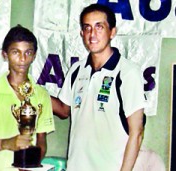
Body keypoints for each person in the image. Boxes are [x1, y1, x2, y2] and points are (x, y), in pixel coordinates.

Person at [51, 4, 146, 171]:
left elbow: (136, 133)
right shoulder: (77, 70)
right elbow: (64, 110)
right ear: (81, 33)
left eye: (99, 27)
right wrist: (32, 91)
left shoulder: (127, 72)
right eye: (87, 28)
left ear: (112, 32)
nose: (92, 34)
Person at [0, 25, 55, 171]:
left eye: (28, 52)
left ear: (34, 56)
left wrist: (30, 164)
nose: (22, 58)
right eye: (16, 52)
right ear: (5, 55)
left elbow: (41, 141)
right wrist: (6, 143)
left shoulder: (41, 95)